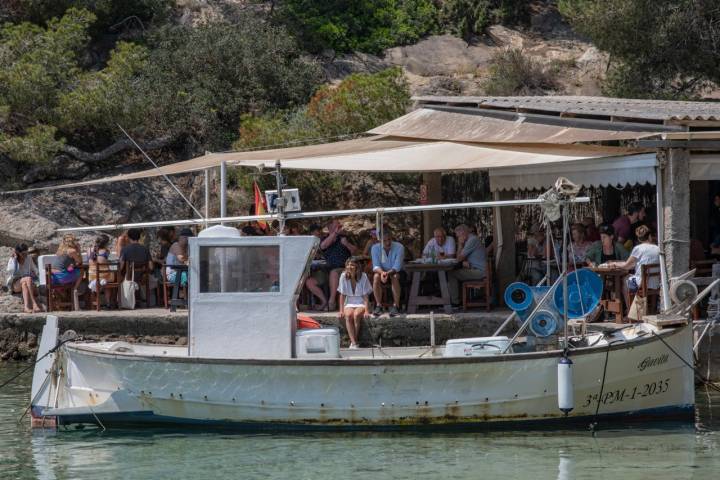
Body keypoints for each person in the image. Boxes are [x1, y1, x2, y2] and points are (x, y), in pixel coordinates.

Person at [609, 225, 660, 310]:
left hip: (641, 283)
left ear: (639, 239)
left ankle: (631, 311)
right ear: (650, 236)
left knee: (625, 280)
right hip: (655, 283)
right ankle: (648, 309)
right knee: (631, 278)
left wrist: (614, 264)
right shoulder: (657, 248)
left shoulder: (638, 248)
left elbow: (626, 266)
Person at [321, 219, 358, 310]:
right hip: (327, 268)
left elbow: (355, 251)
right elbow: (323, 246)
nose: (340, 225)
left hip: (344, 267)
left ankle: (332, 301)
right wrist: (335, 234)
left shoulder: (344, 237)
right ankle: (333, 301)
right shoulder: (325, 238)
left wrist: (347, 244)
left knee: (335, 273)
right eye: (337, 224)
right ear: (330, 227)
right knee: (333, 272)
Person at [337, 258, 372, 349]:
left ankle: (354, 342)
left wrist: (367, 311)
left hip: (361, 301)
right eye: (348, 265)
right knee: (348, 315)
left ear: (357, 267)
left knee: (356, 315)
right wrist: (341, 310)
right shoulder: (343, 276)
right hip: (349, 301)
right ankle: (354, 343)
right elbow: (342, 294)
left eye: (352, 265)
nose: (349, 267)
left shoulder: (363, 276)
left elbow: (365, 296)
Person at [448, 224, 487, 306]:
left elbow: (459, 258)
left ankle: (455, 303)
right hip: (478, 269)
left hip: (480, 272)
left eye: (458, 236)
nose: (458, 238)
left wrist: (460, 244)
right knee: (455, 272)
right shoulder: (472, 239)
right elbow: (462, 258)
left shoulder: (471, 240)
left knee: (451, 274)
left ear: (463, 233)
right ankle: (458, 300)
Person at [370, 229, 405, 317]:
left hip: (397, 272)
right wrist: (382, 273)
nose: (387, 242)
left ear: (392, 238)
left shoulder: (399, 247)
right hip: (382, 272)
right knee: (376, 277)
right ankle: (378, 305)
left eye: (389, 239)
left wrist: (386, 274)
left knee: (395, 276)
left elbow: (397, 267)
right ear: (380, 241)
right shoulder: (375, 248)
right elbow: (375, 266)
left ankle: (396, 305)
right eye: (384, 240)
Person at [51, 234, 84, 309]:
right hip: (61, 277)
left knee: (72, 270)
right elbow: (79, 261)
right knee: (81, 271)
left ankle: (68, 295)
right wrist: (79, 250)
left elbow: (63, 264)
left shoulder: (60, 250)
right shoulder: (72, 251)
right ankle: (75, 289)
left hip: (53, 277)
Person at [6, 244, 41, 313]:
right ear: (18, 253)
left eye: (26, 253)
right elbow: (13, 273)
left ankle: (26, 307)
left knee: (25, 283)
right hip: (15, 284)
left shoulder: (29, 258)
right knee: (27, 279)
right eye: (23, 253)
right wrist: (15, 261)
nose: (25, 255)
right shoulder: (12, 260)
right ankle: (34, 303)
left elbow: (35, 270)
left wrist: (38, 279)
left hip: (26, 283)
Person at [304, 224, 328, 310]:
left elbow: (323, 256)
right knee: (301, 280)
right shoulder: (308, 242)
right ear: (311, 232)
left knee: (309, 282)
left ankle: (324, 302)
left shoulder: (324, 241)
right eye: (317, 231)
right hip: (313, 270)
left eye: (320, 231)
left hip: (324, 271)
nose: (319, 233)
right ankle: (306, 304)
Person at [87, 234, 113, 307]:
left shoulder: (89, 250)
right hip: (104, 276)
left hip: (92, 276)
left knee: (93, 275)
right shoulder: (106, 251)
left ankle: (94, 304)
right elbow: (104, 260)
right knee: (109, 282)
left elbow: (92, 260)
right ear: (106, 243)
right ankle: (108, 303)